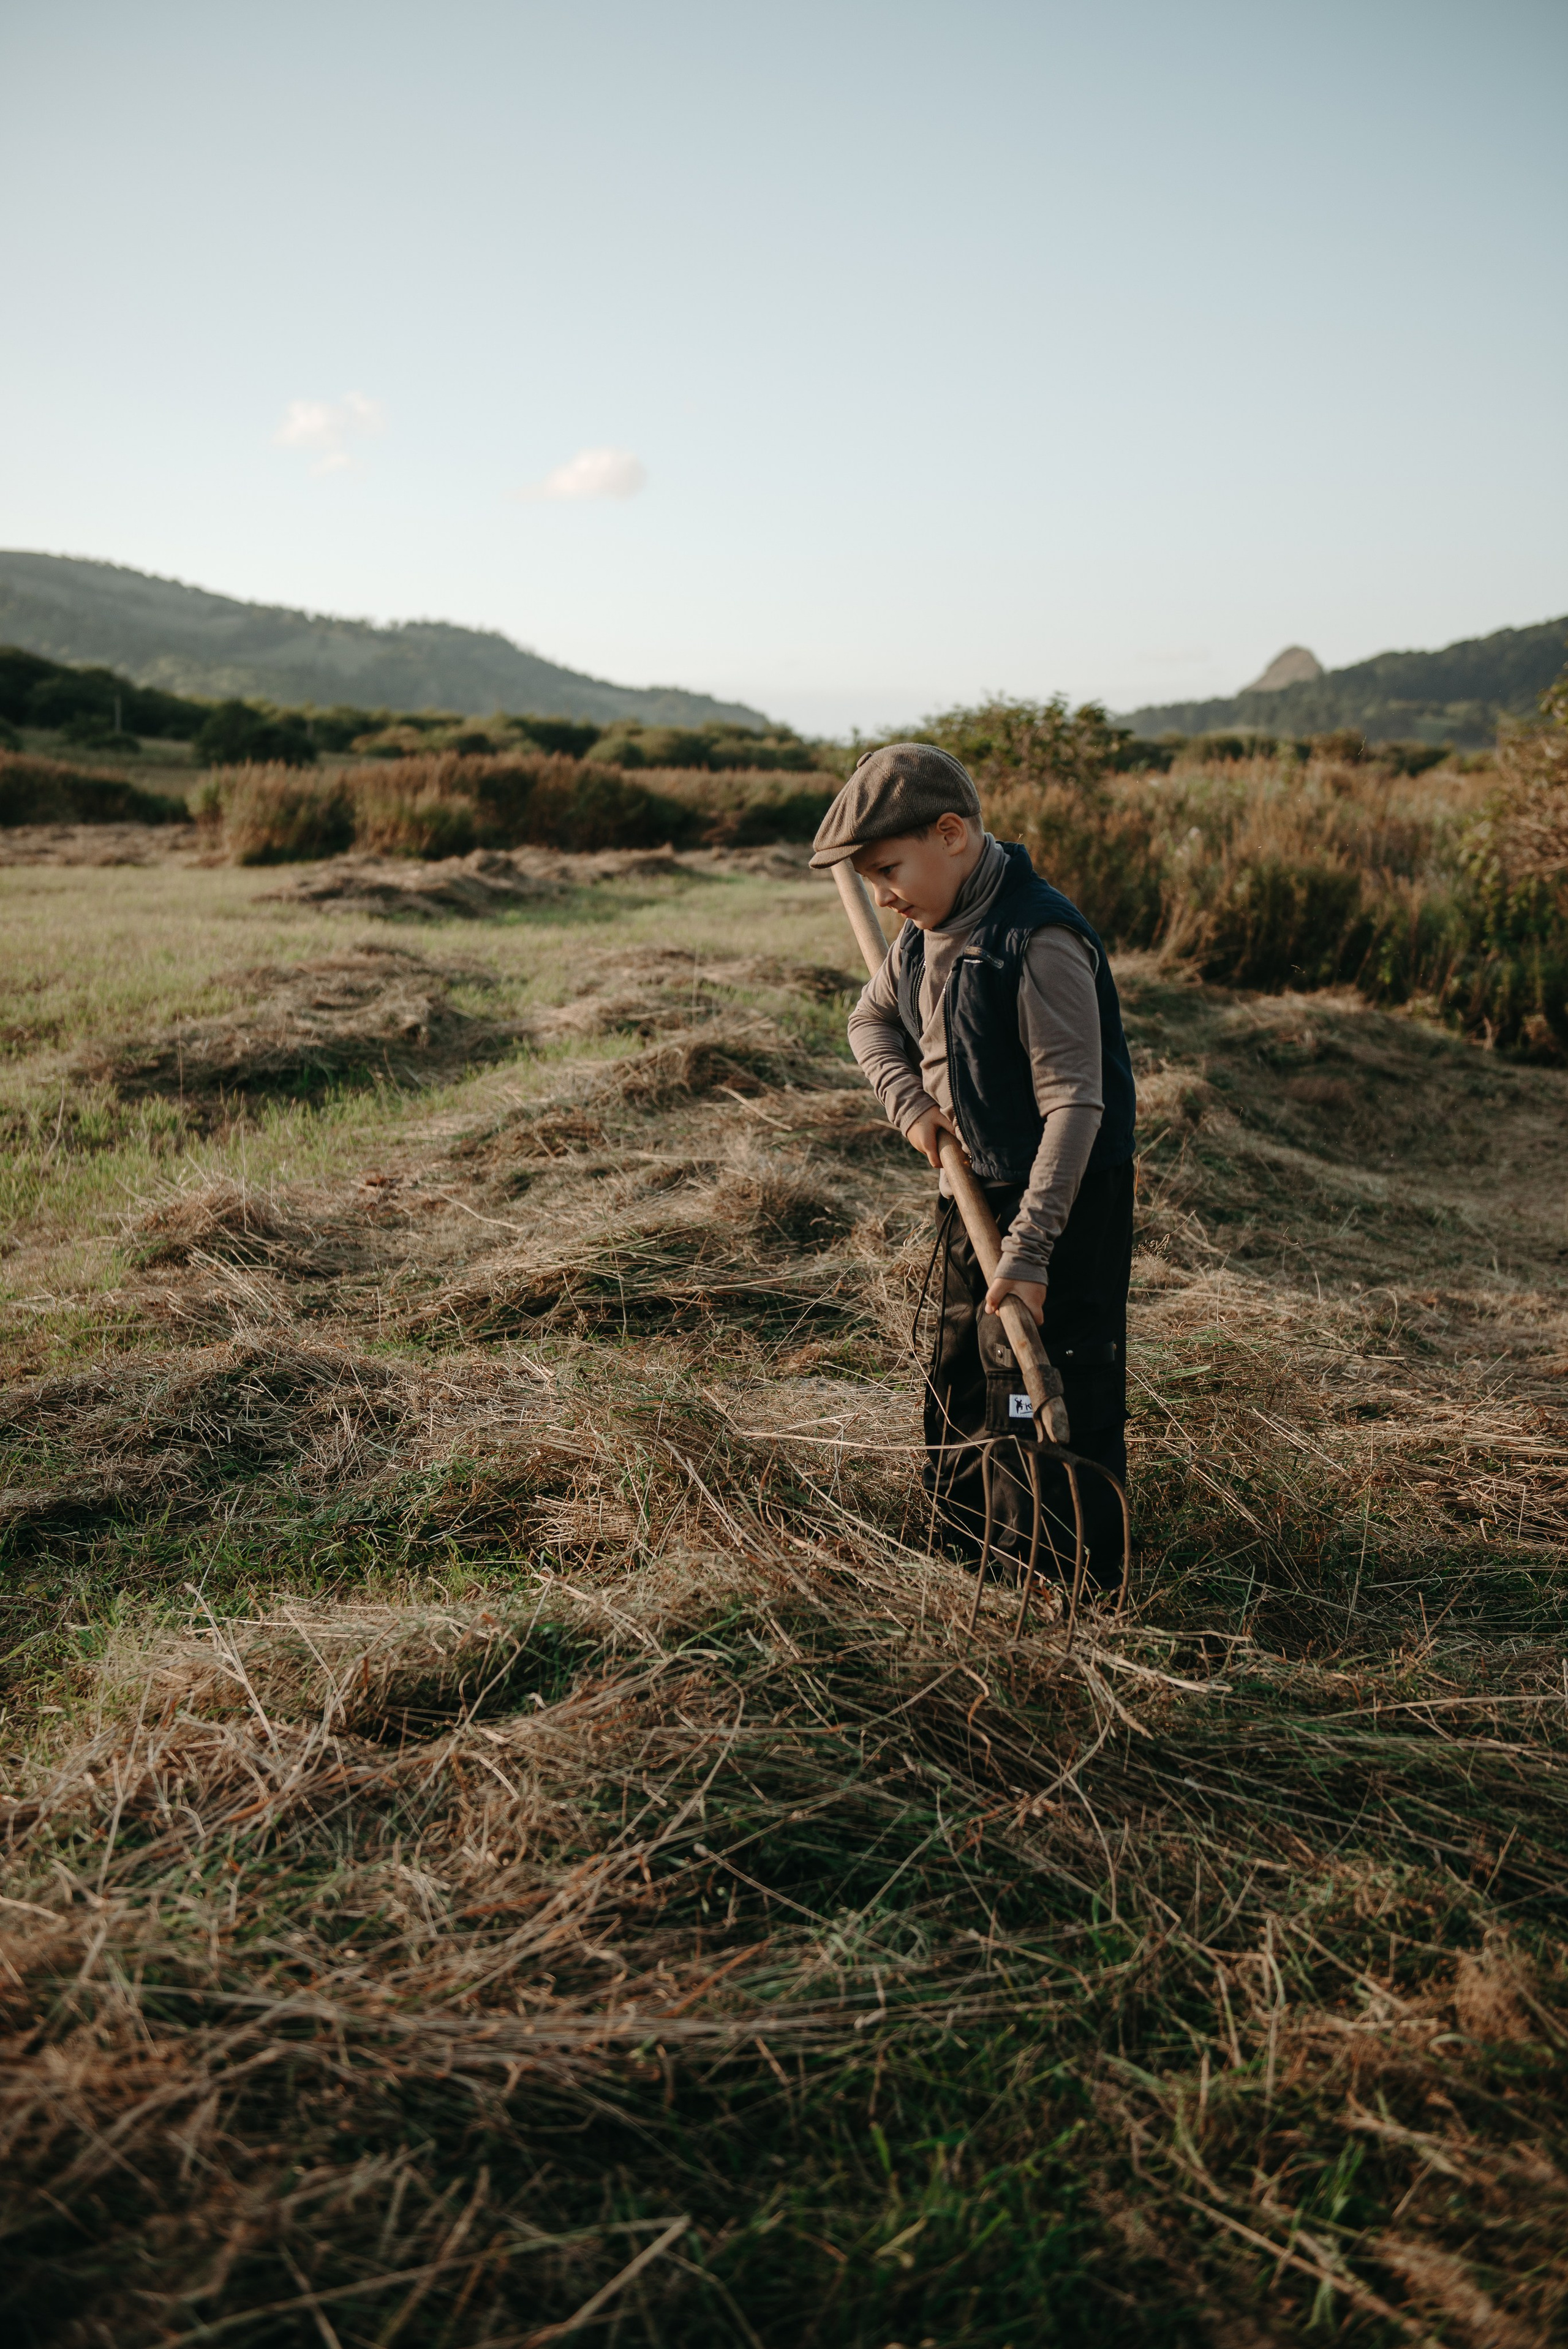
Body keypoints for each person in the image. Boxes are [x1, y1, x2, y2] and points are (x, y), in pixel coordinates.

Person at [810, 741, 1137, 1589]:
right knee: (964, 1367)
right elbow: (868, 1025)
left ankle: (1062, 1575)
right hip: (970, 1183)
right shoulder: (921, 937)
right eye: (870, 877)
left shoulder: (1038, 940)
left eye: (890, 868)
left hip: (1062, 1197)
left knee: (1046, 1382)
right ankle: (964, 1550)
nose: (882, 894)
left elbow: (1076, 1107)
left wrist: (1031, 1255)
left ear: (951, 833)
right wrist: (911, 1106)